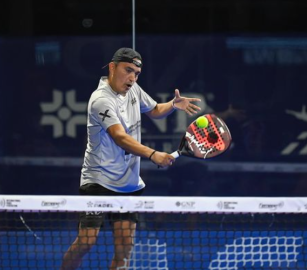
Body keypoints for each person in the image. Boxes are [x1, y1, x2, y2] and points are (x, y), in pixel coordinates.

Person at [60, 47, 201, 270]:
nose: (132, 77)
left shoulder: (133, 89)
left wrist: (173, 105)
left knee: (124, 249)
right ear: (112, 67)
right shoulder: (100, 100)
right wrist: (153, 154)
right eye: (128, 70)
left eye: (136, 73)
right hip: (98, 181)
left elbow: (155, 109)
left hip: (127, 185)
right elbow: (119, 137)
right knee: (87, 242)